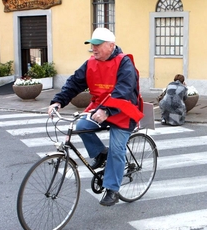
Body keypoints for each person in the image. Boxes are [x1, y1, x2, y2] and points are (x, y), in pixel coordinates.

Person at [47, 27, 143, 207]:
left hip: (123, 111)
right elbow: (75, 82)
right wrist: (58, 101)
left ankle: (112, 189)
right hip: (100, 108)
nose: (94, 49)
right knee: (81, 125)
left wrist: (106, 110)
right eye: (92, 45)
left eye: (98, 45)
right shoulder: (91, 63)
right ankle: (100, 152)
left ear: (111, 45)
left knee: (117, 148)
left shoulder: (124, 63)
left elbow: (123, 90)